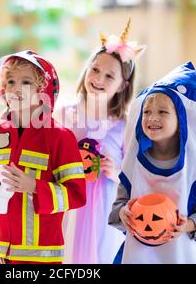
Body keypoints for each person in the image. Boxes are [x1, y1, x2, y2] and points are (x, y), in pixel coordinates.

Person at [0, 50, 86, 264]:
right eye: (10, 81)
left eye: (26, 82)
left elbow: (77, 195)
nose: (16, 88)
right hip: (0, 252)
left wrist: (35, 186)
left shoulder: (60, 138)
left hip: (40, 257)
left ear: (42, 90)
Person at [108, 61, 196, 264]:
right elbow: (117, 207)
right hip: (138, 256)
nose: (152, 117)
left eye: (163, 112)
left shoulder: (192, 169)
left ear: (181, 123)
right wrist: (123, 212)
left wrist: (188, 225)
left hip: (180, 255)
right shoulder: (134, 165)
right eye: (147, 111)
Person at [54, 19, 147, 263]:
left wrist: (115, 171)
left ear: (122, 86)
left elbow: (134, 175)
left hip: (104, 210)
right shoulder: (64, 114)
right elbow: (48, 155)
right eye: (95, 69)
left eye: (109, 76)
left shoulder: (124, 125)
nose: (98, 78)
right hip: (67, 203)